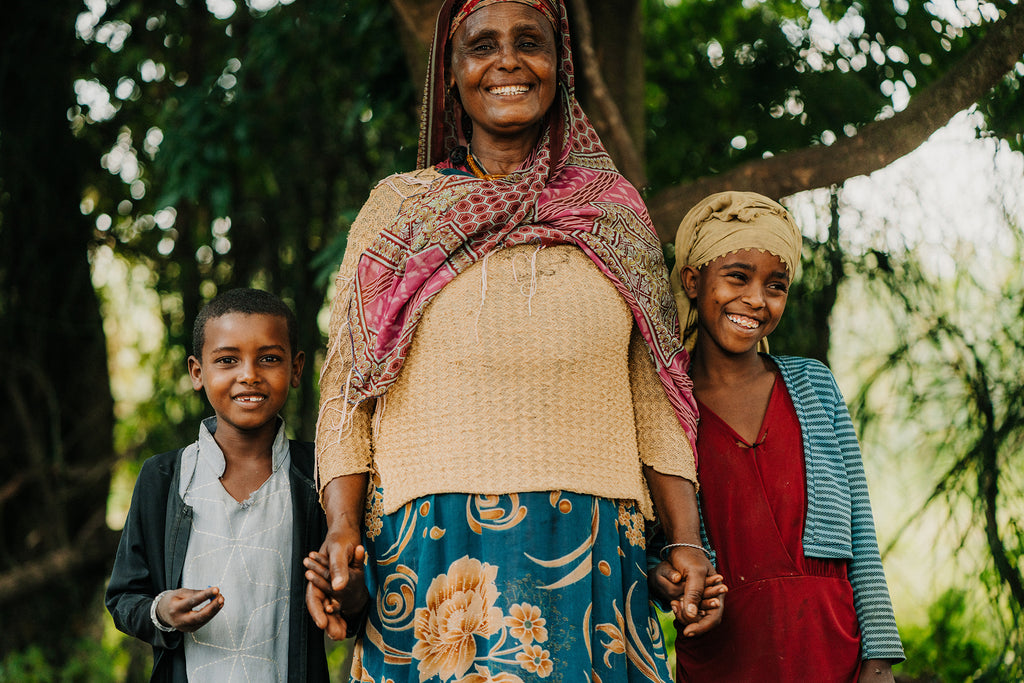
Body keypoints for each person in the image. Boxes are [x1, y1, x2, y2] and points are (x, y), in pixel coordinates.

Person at [305, 0, 723, 679]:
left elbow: (658, 397)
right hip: (431, 550)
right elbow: (348, 395)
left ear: (560, 65)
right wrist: (342, 529)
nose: (507, 60)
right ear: (452, 71)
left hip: (591, 548)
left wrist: (686, 540)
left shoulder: (613, 212)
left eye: (530, 42)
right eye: (482, 44)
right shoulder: (400, 210)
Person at [650, 191, 906, 681]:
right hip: (725, 652)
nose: (756, 300)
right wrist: (661, 576)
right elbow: (647, 531)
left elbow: (861, 534)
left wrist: (878, 657)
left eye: (776, 286)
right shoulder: (665, 400)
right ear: (692, 281)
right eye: (737, 277)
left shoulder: (813, 385)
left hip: (830, 642)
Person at [106, 287, 341, 682]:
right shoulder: (163, 478)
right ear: (197, 372)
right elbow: (123, 597)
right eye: (227, 360)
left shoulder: (321, 474)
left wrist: (345, 595)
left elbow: (351, 603)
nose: (249, 374)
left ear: (297, 368)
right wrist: (162, 612)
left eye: (269, 359)